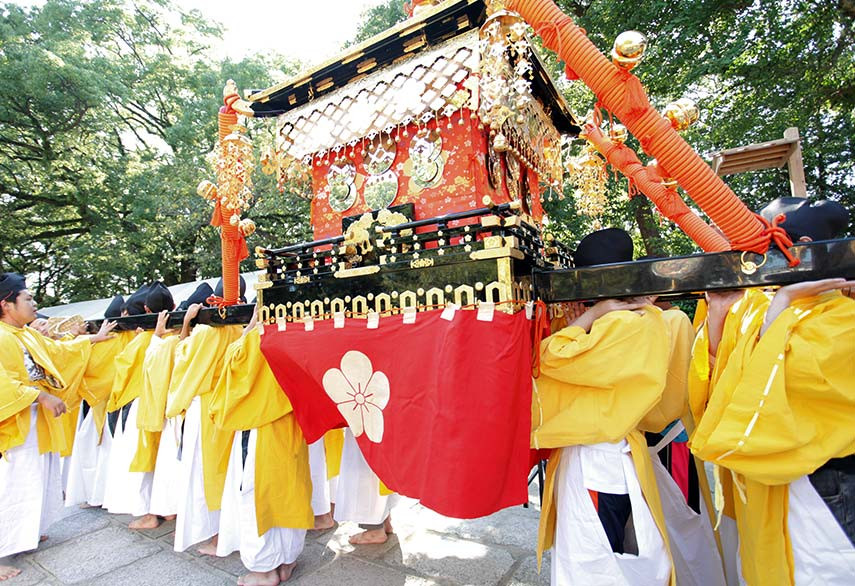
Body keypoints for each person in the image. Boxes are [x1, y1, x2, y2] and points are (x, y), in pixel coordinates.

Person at [691, 197, 855, 585]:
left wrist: (780, 305)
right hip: (767, 481)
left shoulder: (842, 318)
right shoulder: (758, 309)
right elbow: (719, 388)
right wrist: (718, 316)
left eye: (766, 250)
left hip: (823, 482)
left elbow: (776, 386)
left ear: (804, 249)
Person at [533, 228, 684, 586]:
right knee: (610, 550)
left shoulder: (621, 323)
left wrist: (591, 316)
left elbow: (551, 356)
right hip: (614, 450)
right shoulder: (650, 319)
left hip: (599, 457)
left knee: (595, 558)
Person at [0, 273, 114, 581]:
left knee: (37, 474)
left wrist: (92, 339)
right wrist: (41, 396)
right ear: (7, 304)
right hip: (15, 417)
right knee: (14, 482)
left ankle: (25, 532)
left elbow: (57, 353)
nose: (34, 304)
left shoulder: (25, 334)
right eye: (28, 299)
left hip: (34, 416)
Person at [210, 305, 313, 585]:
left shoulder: (258, 339)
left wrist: (249, 330)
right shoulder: (303, 331)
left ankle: (264, 570)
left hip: (260, 427)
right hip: (291, 426)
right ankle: (287, 560)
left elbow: (237, 375)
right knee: (289, 490)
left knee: (256, 495)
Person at [166, 302, 242, 554]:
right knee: (228, 470)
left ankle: (219, 536)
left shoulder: (205, 333)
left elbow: (182, 361)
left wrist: (187, 324)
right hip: (231, 403)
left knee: (205, 474)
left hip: (206, 409)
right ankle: (230, 532)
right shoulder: (238, 328)